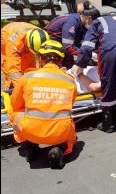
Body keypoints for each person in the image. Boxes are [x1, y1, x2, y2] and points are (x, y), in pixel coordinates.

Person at [9, 40, 77, 169]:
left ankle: (29, 145)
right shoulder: (69, 80)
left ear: (40, 58)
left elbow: (15, 104)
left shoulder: (27, 77)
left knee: (13, 111)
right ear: (61, 60)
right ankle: (61, 148)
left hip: (31, 130)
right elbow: (70, 104)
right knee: (69, 122)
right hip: (59, 132)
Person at [71, 6, 116, 134]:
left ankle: (108, 124)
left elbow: (87, 46)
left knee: (108, 83)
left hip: (109, 51)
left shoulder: (99, 21)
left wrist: (80, 64)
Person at [1, 23, 50, 89]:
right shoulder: (13, 43)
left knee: (29, 67)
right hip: (6, 35)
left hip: (23, 35)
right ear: (27, 43)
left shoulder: (42, 37)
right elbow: (13, 69)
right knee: (9, 69)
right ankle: (11, 90)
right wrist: (20, 88)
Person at [42, 2, 88, 68]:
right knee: (68, 59)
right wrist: (84, 54)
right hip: (51, 42)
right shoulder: (72, 22)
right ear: (87, 18)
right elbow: (68, 46)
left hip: (61, 40)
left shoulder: (80, 22)